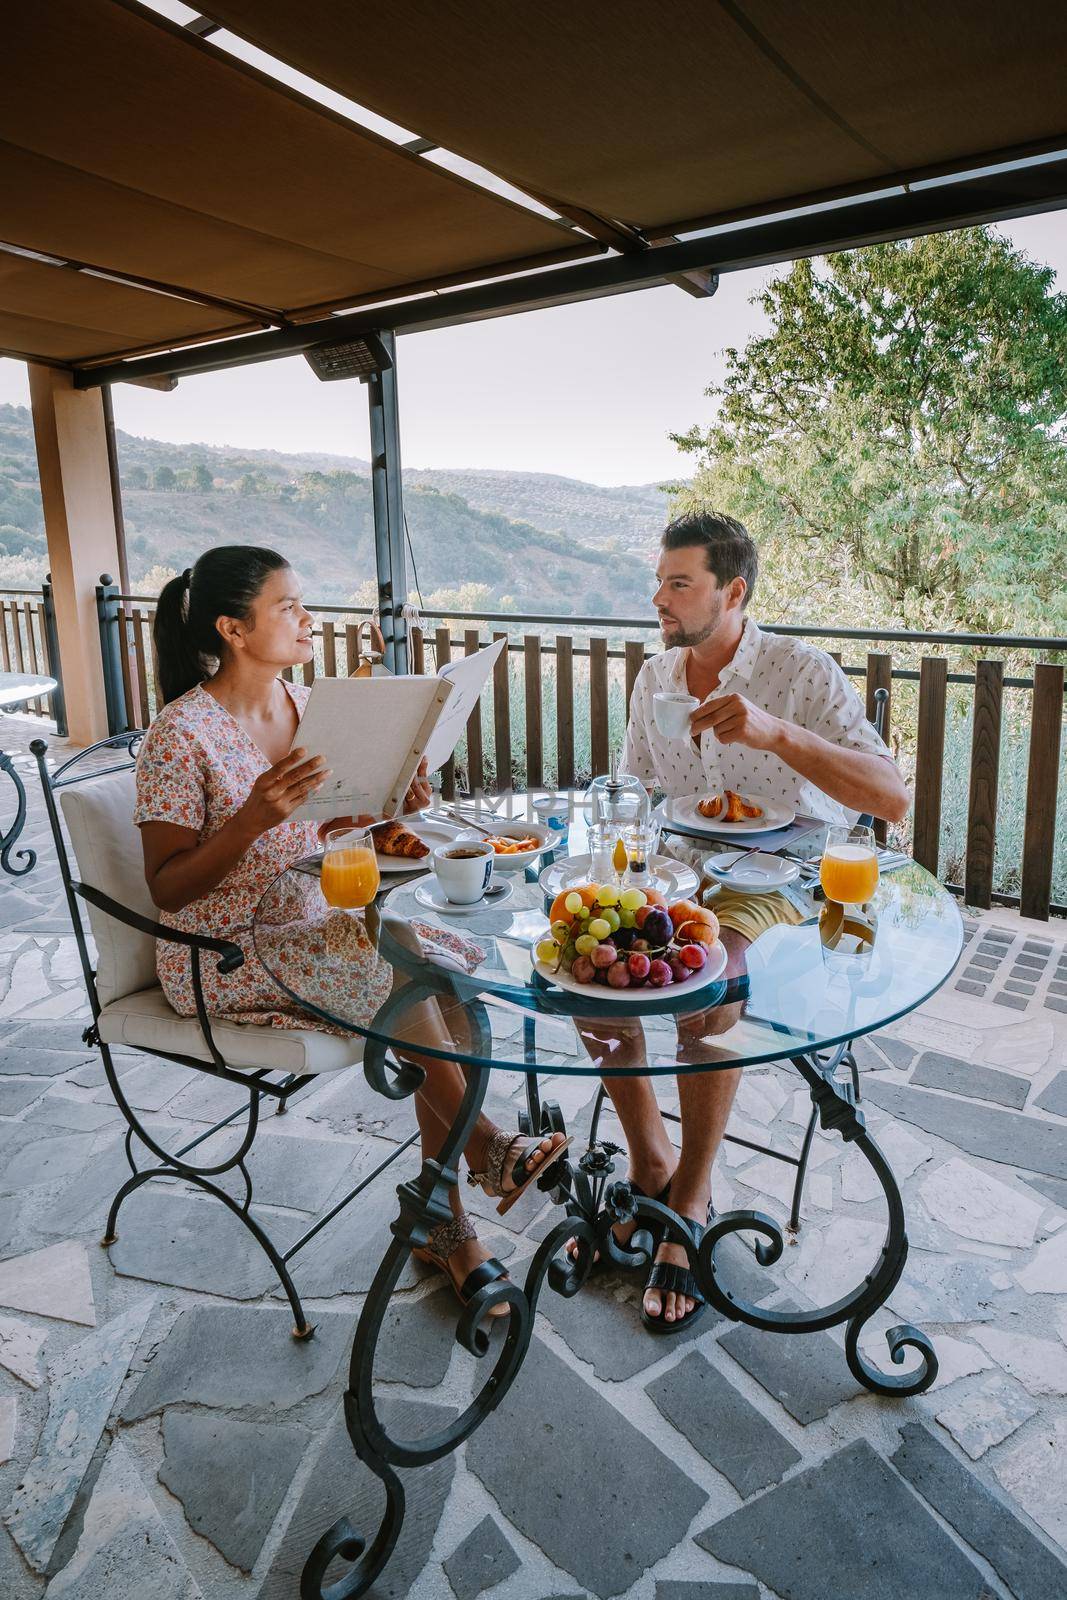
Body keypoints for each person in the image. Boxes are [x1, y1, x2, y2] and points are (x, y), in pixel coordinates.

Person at [136, 545, 567, 1309]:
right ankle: (487, 1150)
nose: (309, 619)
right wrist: (248, 821)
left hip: (315, 923)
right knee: (406, 973)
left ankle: (445, 1220)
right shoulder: (179, 734)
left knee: (454, 974)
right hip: (224, 954)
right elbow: (167, 889)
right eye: (289, 607)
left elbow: (342, 824)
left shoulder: (305, 706)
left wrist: (401, 797)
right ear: (234, 630)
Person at [602, 512, 910, 1333]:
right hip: (676, 868)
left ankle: (692, 1200)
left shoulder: (797, 671)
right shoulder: (656, 675)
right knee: (594, 970)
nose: (658, 598)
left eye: (678, 583)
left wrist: (776, 732)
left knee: (711, 983)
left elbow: (889, 798)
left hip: (780, 874)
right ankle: (648, 1164)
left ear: (732, 592)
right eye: (659, 580)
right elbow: (634, 786)